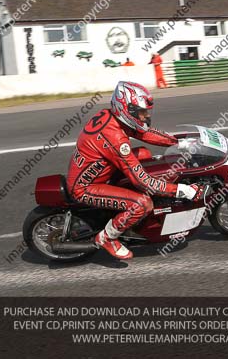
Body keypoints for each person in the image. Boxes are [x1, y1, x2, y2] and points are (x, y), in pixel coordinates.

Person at [66, 81, 205, 260]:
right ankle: (107, 238)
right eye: (141, 112)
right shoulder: (115, 138)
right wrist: (182, 190)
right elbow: (142, 181)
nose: (145, 116)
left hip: (100, 169)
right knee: (141, 204)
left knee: (145, 154)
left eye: (146, 112)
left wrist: (178, 142)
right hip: (84, 187)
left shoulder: (110, 116)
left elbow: (145, 133)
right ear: (126, 109)